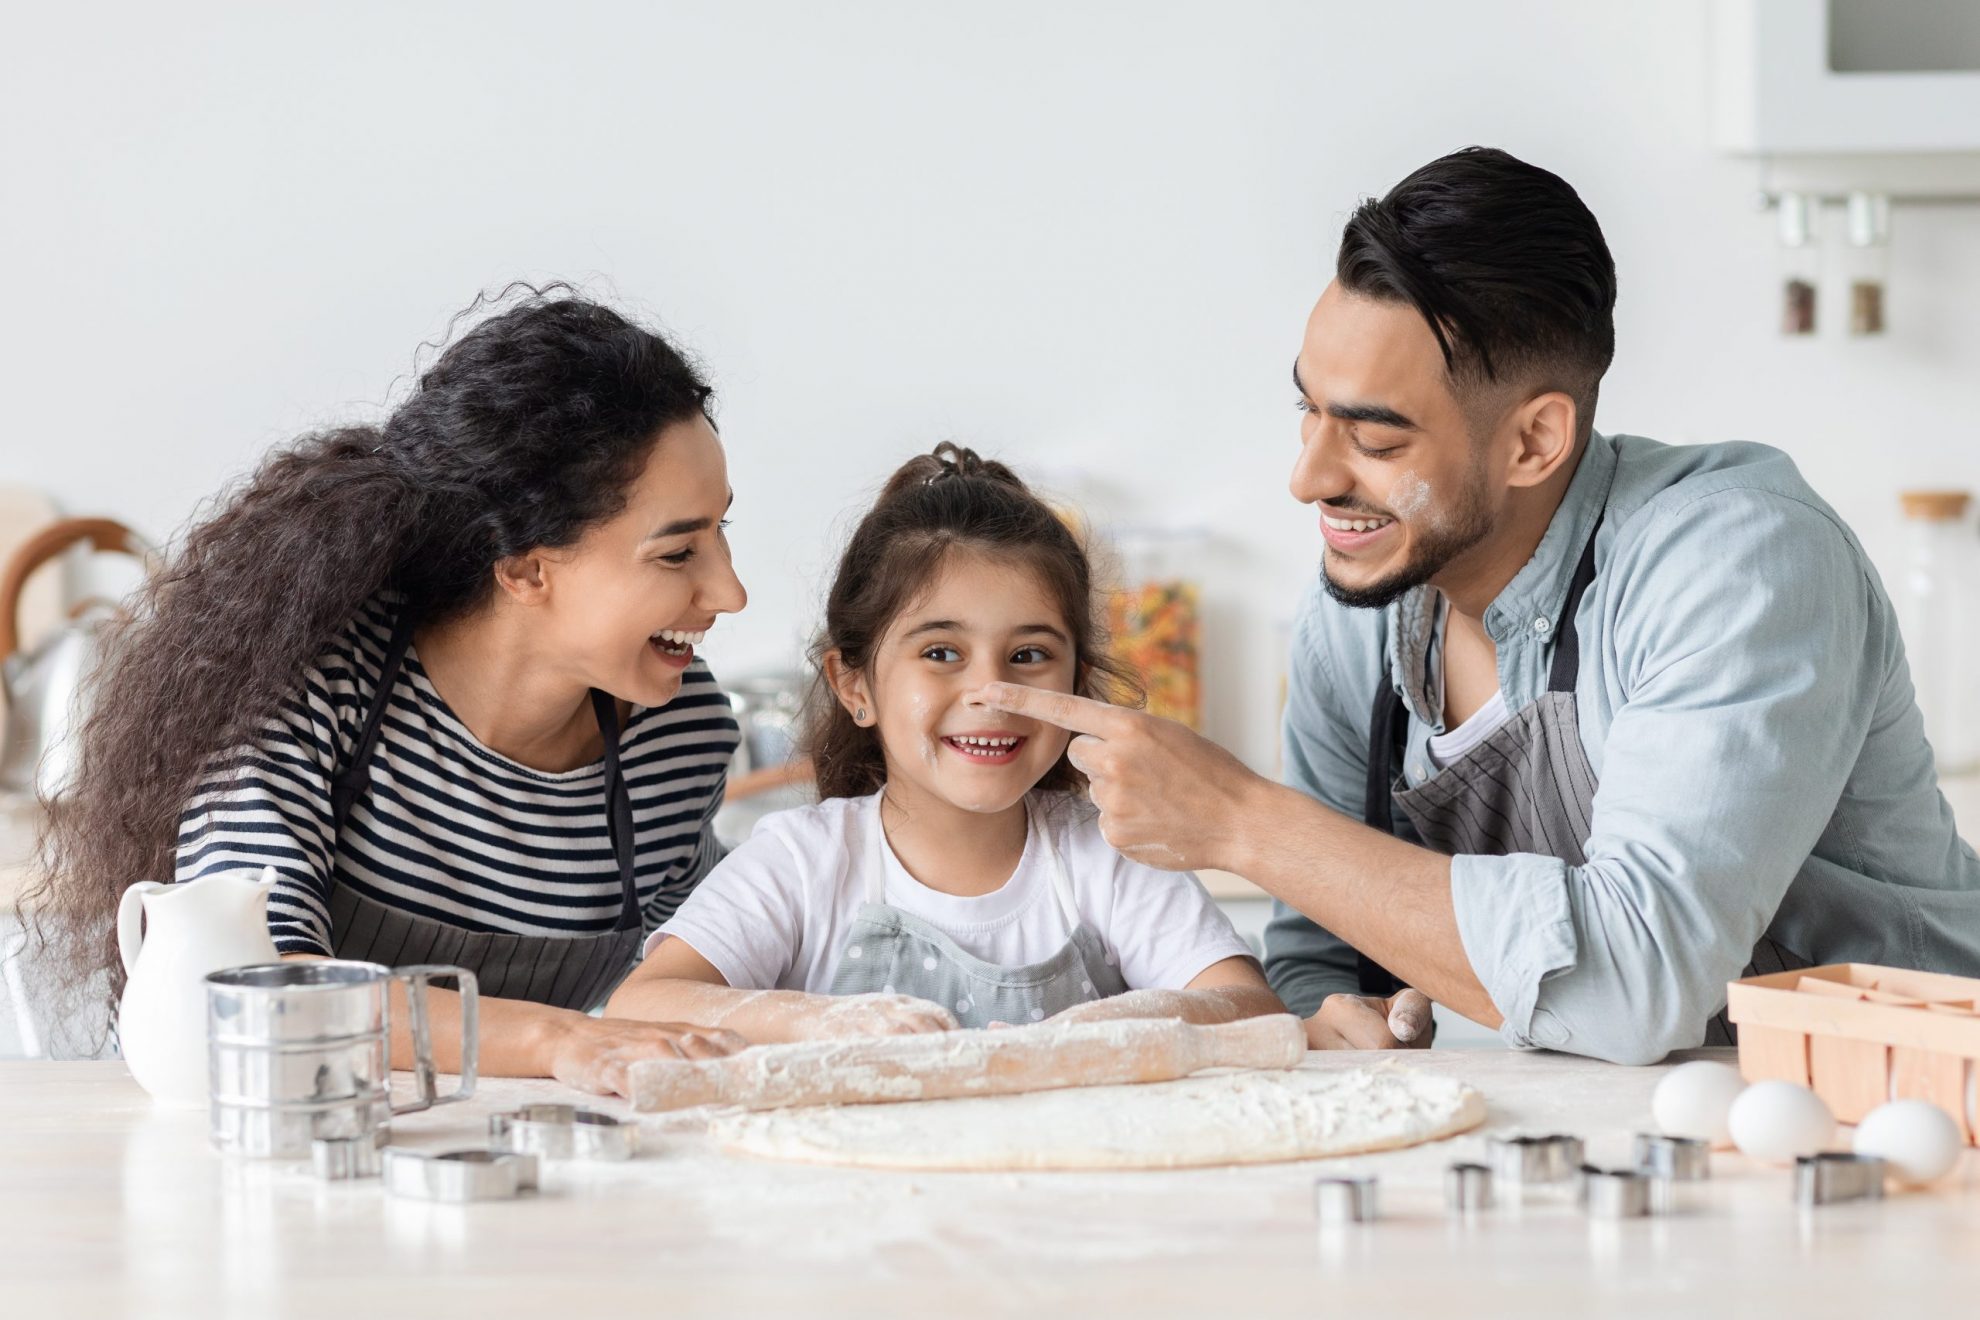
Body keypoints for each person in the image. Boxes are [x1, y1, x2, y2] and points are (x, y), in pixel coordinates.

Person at [977, 147, 1980, 1065]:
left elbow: (1641, 979)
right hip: (1608, 1138)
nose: (1307, 478)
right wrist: (1336, 1021)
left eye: (1374, 441)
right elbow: (1323, 958)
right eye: (1308, 412)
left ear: (1535, 442)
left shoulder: (1739, 564)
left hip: (1897, 1113)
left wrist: (1241, 820)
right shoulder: (1360, 621)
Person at [32, 290, 750, 1094]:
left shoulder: (679, 733)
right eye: (678, 552)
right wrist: (557, 1040)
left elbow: (699, 972)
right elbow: (259, 986)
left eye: (723, 530)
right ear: (525, 569)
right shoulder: (319, 680)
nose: (730, 592)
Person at [609, 444, 1284, 1038]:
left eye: (1028, 655)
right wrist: (814, 1018)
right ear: (855, 687)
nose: (990, 692)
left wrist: (1121, 1023)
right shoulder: (803, 863)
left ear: (1077, 683)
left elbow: (1248, 1010)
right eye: (940, 652)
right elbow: (641, 1006)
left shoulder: (1110, 860)